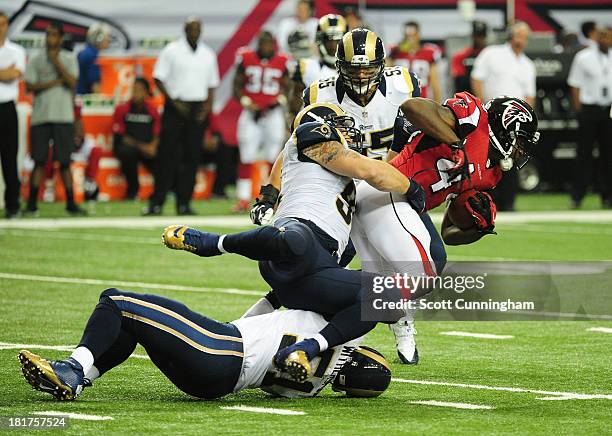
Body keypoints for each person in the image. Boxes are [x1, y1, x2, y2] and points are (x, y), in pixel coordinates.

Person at [162, 102, 427, 381]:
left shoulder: (344, 180)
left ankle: (307, 348)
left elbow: (378, 177)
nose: (349, 134)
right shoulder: (310, 135)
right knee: (294, 241)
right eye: (341, 126)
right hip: (294, 240)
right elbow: (374, 172)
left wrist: (400, 145)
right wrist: (412, 187)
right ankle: (212, 243)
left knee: (385, 298)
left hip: (311, 275)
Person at [18, 288, 392, 401]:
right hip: (216, 380)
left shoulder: (344, 331)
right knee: (135, 327)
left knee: (116, 303)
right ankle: (82, 374)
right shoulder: (308, 388)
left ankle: (71, 367)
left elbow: (371, 305)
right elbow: (256, 323)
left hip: (221, 348)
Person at [145, 17, 219, 216]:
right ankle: (157, 202)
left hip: (197, 108)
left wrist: (208, 106)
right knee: (166, 156)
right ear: (185, 30)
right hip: (175, 106)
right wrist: (173, 101)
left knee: (192, 157)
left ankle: (184, 203)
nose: (195, 32)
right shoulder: (172, 50)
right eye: (191, 28)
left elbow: (212, 84)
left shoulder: (208, 54)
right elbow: (158, 77)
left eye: (198, 28)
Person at [471, 21, 536, 212]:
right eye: (518, 35)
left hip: (515, 121)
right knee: (487, 158)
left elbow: (529, 95)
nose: (521, 40)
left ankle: (509, 202)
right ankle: (485, 201)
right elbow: (477, 78)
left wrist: (527, 122)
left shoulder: (528, 64)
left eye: (525, 37)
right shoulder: (492, 54)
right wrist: (482, 108)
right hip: (491, 116)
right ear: (511, 36)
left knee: (511, 159)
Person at [24, 21, 85, 216]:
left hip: (63, 116)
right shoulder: (35, 59)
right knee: (39, 160)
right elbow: (30, 86)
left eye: (53, 35)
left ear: (60, 38)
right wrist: (55, 82)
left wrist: (56, 62)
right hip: (40, 117)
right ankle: (32, 203)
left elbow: (73, 82)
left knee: (65, 161)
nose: (50, 38)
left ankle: (70, 203)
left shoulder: (68, 58)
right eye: (47, 34)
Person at [232, 31, 289, 212]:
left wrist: (278, 101)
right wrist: (247, 102)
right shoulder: (246, 58)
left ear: (273, 44)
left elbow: (288, 87)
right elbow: (237, 85)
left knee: (273, 157)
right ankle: (242, 199)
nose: (265, 47)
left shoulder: (283, 61)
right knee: (246, 156)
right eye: (262, 43)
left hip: (274, 114)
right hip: (251, 113)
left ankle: (270, 198)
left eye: (268, 43)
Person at [567, 26, 612, 209]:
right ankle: (577, 195)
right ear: (598, 38)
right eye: (605, 37)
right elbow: (575, 84)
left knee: (608, 155)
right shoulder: (583, 57)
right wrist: (580, 110)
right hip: (589, 109)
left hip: (608, 109)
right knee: (584, 154)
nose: (607, 40)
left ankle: (607, 195)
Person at [288, 14, 347, 114]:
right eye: (329, 40)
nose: (333, 45)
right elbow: (294, 107)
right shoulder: (306, 67)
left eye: (337, 40)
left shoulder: (356, 69)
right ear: (320, 40)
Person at [112, 78, 160, 200]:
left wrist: (153, 146)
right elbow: (121, 136)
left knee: (165, 155)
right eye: (134, 89)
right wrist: (142, 147)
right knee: (127, 153)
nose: (135, 92)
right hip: (129, 147)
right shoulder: (122, 109)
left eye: (139, 90)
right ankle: (132, 192)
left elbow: (157, 133)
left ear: (146, 92)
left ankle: (161, 192)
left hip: (147, 148)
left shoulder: (152, 110)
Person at [0, 11, 26, 219]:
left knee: (10, 158)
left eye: (3, 23)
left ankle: (12, 205)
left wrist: (8, 74)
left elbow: (14, 75)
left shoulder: (16, 51)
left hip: (7, 108)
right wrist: (3, 72)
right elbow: (6, 74)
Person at [388, 21, 442, 102]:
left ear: (418, 35)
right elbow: (387, 75)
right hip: (399, 99)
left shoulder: (429, 53)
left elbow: (434, 82)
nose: (410, 39)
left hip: (422, 99)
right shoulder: (395, 52)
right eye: (407, 36)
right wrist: (393, 54)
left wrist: (437, 104)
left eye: (413, 36)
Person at [451, 21, 488, 94]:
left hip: (488, 95)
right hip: (468, 96)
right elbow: (459, 82)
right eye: (476, 36)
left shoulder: (490, 55)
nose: (479, 39)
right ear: (472, 36)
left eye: (481, 36)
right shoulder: (461, 56)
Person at [76, 22, 109, 95]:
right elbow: (96, 87)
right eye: (107, 37)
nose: (109, 41)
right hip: (86, 100)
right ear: (99, 39)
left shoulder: (84, 52)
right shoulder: (93, 56)